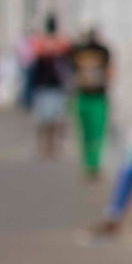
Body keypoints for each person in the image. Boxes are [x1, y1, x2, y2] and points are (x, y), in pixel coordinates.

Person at [69, 26, 112, 178]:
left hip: (97, 96)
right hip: (84, 96)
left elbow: (110, 72)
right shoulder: (77, 50)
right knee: (86, 133)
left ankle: (94, 163)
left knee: (96, 133)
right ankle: (88, 163)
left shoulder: (103, 51)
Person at [30, 14, 71, 160]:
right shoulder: (42, 43)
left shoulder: (60, 43)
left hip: (53, 85)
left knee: (54, 119)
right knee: (45, 119)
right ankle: (45, 146)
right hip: (45, 85)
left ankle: (51, 146)